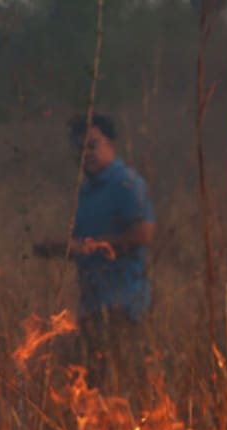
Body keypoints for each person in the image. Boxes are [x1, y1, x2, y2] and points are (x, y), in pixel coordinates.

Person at [34, 114, 156, 396]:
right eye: (79, 147)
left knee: (117, 389)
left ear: (111, 144)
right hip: (93, 306)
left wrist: (89, 247)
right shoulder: (87, 191)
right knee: (93, 391)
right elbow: (82, 244)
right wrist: (60, 248)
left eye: (92, 145)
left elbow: (144, 234)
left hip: (122, 307)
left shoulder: (126, 184)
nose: (85, 153)